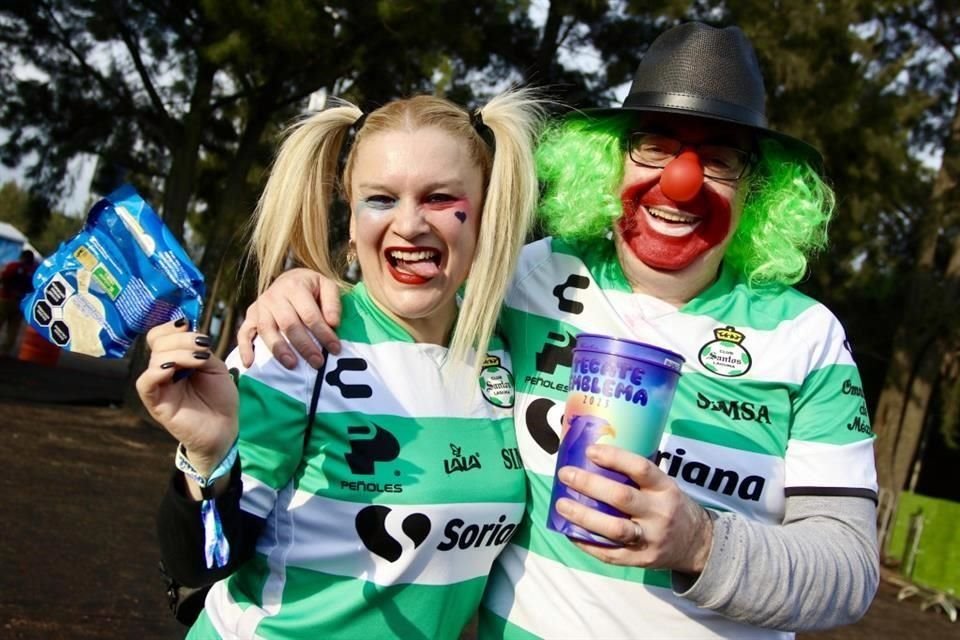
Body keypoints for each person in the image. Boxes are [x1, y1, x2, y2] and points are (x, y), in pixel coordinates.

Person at [238, 23, 880, 638]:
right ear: (612, 161)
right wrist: (303, 286)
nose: (678, 181)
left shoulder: (806, 338)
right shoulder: (526, 280)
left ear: (759, 188)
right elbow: (404, 283)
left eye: (719, 160)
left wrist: (701, 542)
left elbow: (850, 567)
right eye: (653, 146)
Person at [139, 89, 545, 638]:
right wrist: (208, 460)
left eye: (439, 198)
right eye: (380, 199)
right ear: (351, 223)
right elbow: (201, 565)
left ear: (485, 215)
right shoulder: (299, 344)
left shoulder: (505, 351)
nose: (409, 225)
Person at [0, 248, 37, 355]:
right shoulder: (33, 271)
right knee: (13, 329)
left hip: (5, 299)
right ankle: (4, 351)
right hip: (21, 303)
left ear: (22, 257)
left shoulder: (13, 266)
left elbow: (3, 278)